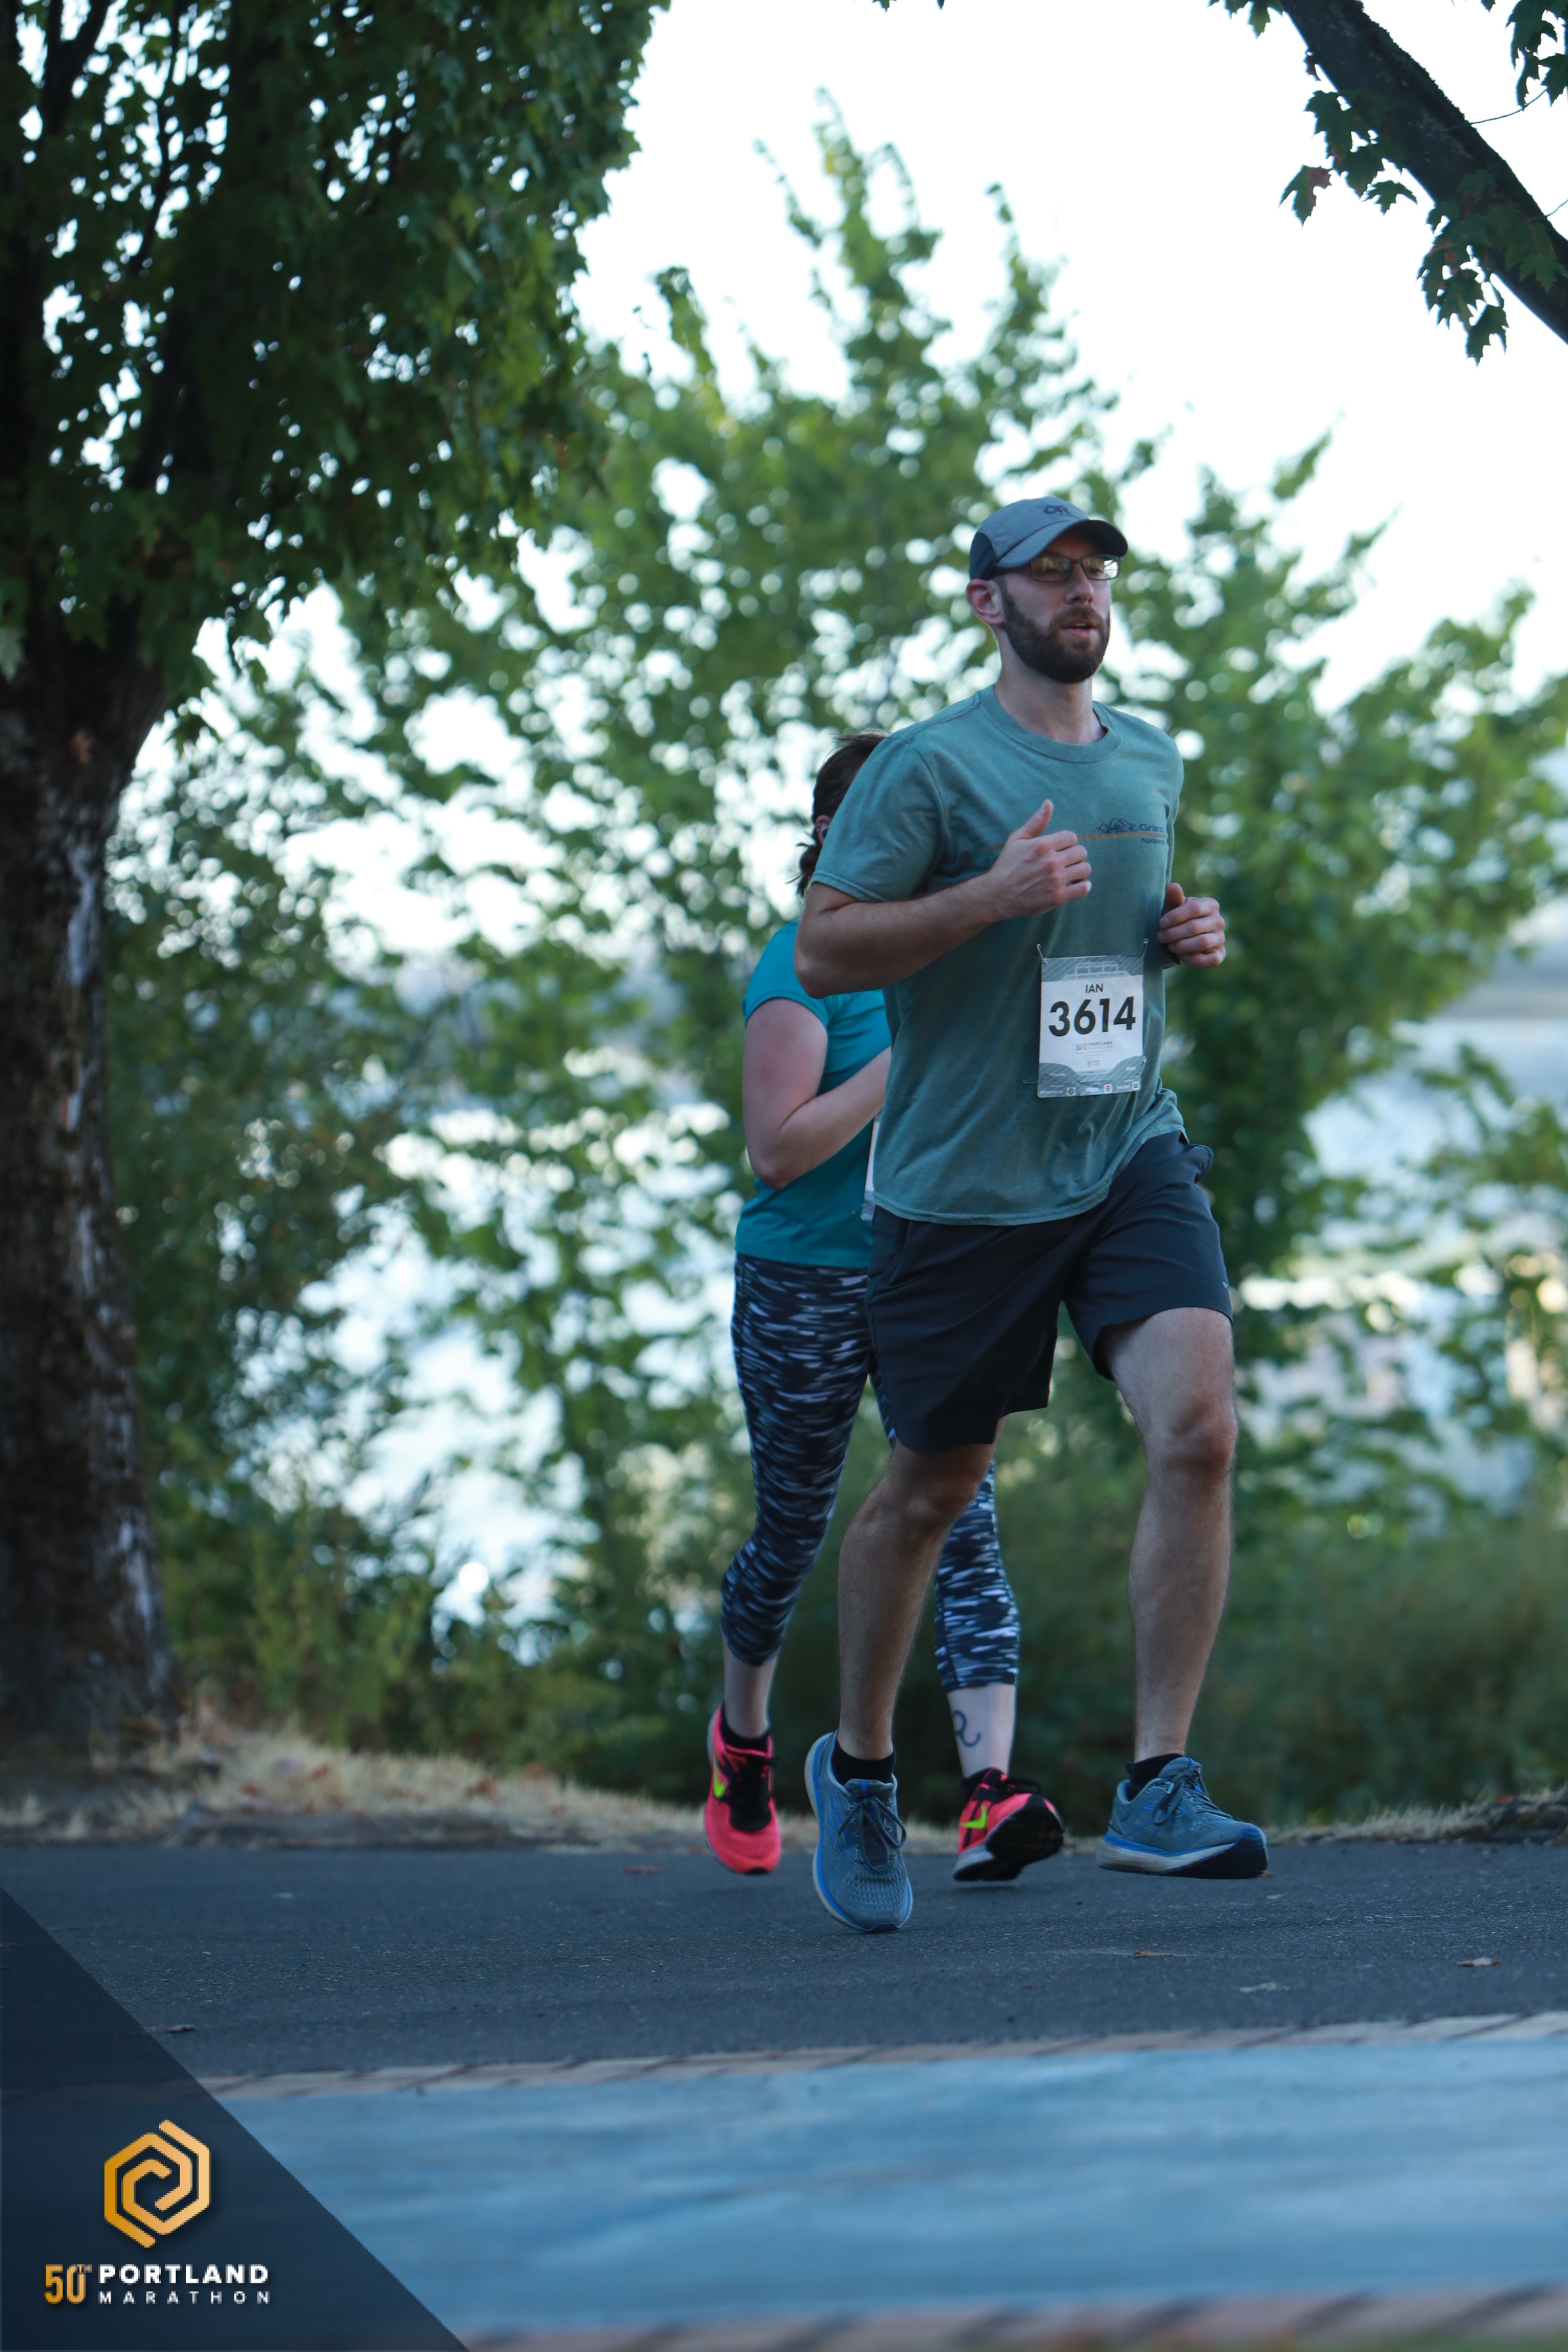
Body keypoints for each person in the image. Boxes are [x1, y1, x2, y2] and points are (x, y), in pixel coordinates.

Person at [793, 493, 1264, 1933]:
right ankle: (861, 1773)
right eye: (1049, 573)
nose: (1081, 592)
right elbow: (824, 950)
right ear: (986, 601)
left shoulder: (1149, 756)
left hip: (1124, 1147)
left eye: (1096, 570)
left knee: (1200, 1427)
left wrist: (1180, 932)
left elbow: (1115, 926)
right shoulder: (929, 767)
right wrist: (987, 897)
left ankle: (1159, 1783)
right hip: (966, 1189)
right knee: (929, 1492)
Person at [704, 731, 1063, 1893]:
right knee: (794, 1529)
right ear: (838, 837)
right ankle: (744, 1741)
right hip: (804, 1282)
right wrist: (906, 1060)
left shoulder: (956, 958)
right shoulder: (799, 969)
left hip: (933, 1272)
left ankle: (989, 1792)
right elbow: (777, 1151)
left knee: (964, 1521)